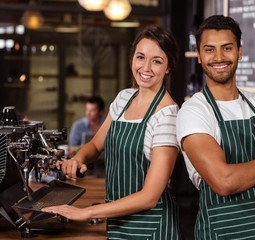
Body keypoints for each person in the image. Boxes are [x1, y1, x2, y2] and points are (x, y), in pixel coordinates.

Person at [43, 25, 182, 239]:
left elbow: (149, 197)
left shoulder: (167, 116)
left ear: (169, 67)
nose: (145, 68)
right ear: (132, 58)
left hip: (152, 227)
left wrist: (86, 212)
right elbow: (96, 145)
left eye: (157, 61)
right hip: (118, 220)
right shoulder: (124, 98)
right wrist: (77, 158)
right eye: (140, 57)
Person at [176, 15, 255, 239]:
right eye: (209, 49)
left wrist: (237, 175)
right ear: (199, 56)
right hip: (223, 233)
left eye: (227, 48)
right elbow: (224, 183)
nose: (218, 57)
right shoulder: (193, 111)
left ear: (240, 52)